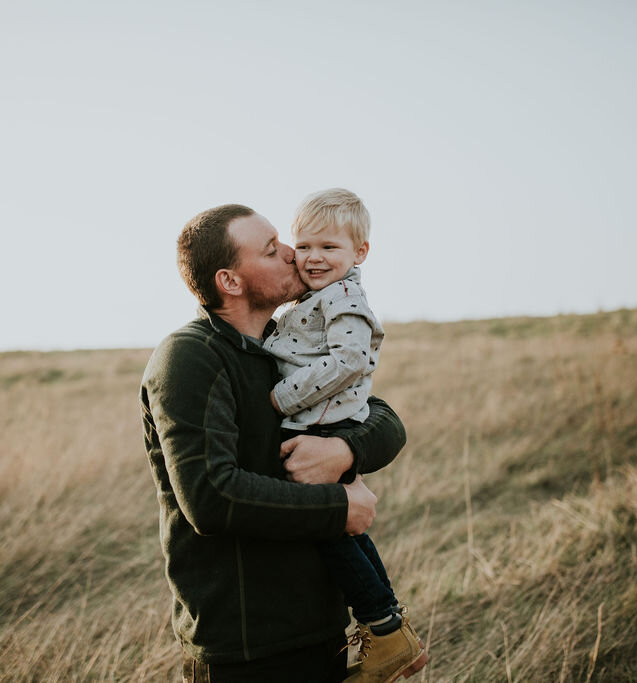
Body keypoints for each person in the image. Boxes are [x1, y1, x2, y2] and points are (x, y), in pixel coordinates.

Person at [141, 203, 408, 682]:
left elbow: (383, 418)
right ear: (230, 282)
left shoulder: (282, 346)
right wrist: (338, 507)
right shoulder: (191, 357)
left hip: (321, 628)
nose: (294, 254)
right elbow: (211, 497)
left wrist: (346, 450)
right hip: (248, 648)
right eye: (273, 250)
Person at [265, 189, 426, 682]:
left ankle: (382, 626)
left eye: (329, 248)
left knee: (328, 529)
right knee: (347, 528)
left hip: (323, 425)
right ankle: (392, 629)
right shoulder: (320, 295)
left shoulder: (344, 295)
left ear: (360, 253)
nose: (314, 257)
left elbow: (350, 359)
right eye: (305, 246)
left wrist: (279, 399)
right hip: (323, 422)